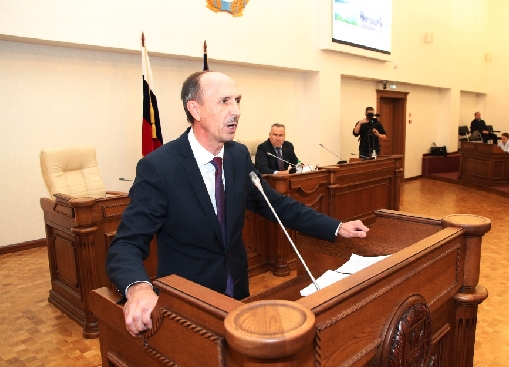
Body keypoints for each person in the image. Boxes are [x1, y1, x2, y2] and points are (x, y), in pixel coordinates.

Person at [106, 71, 370, 337]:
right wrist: (138, 288)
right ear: (195, 109)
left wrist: (336, 227)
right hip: (189, 306)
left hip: (238, 293)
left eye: (237, 100)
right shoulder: (160, 167)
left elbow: (276, 205)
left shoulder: (238, 155)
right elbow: (126, 243)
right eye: (224, 101)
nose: (236, 111)